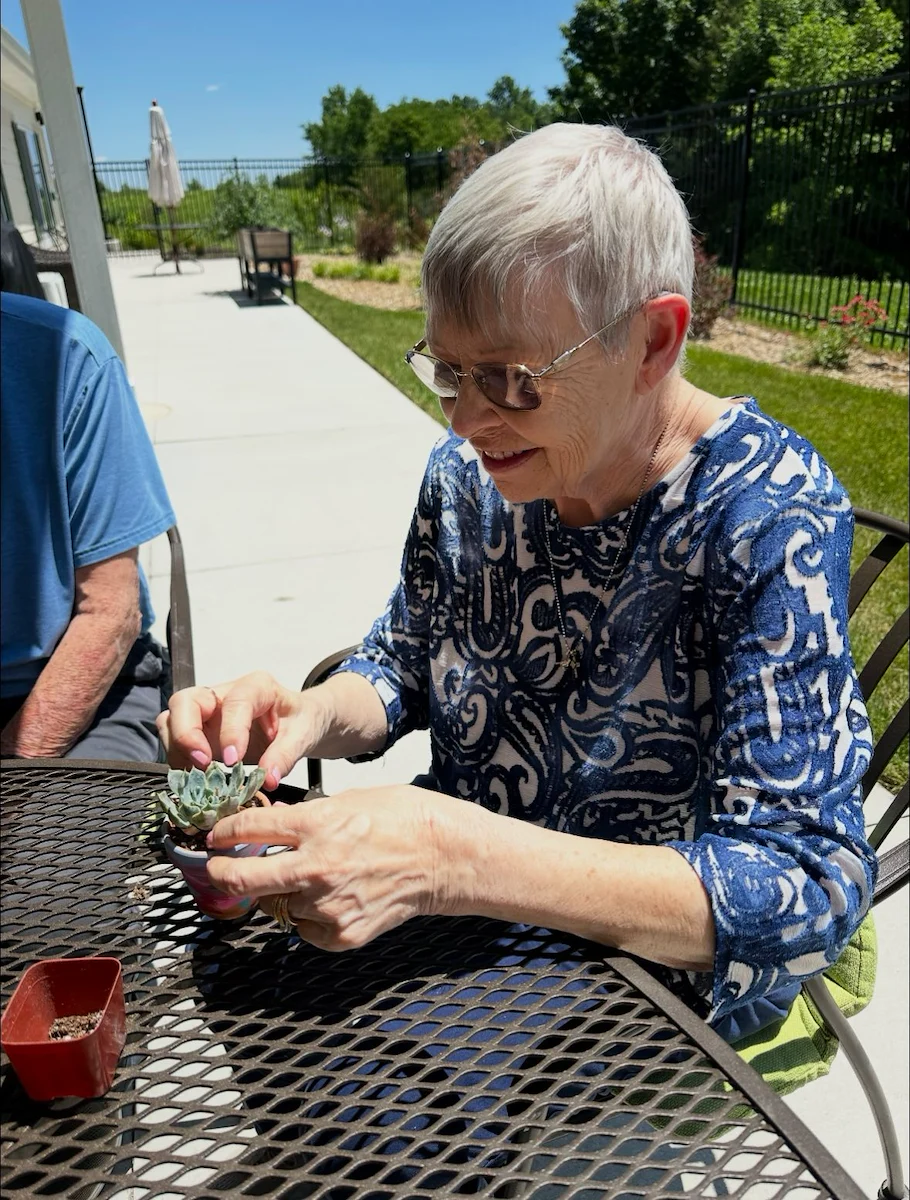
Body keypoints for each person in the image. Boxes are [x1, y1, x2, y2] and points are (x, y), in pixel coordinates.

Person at [159, 124, 875, 1045]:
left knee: (342, 1075)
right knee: (241, 1002)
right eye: (445, 370)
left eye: (508, 378)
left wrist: (451, 857)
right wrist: (306, 715)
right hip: (455, 921)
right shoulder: (471, 478)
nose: (464, 419)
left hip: (641, 976)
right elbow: (403, 665)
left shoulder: (765, 511)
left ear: (653, 340)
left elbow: (805, 888)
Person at [1, 291, 175, 761]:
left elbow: (110, 613)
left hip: (72, 690)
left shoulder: (67, 355)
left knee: (64, 815)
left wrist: (15, 774)